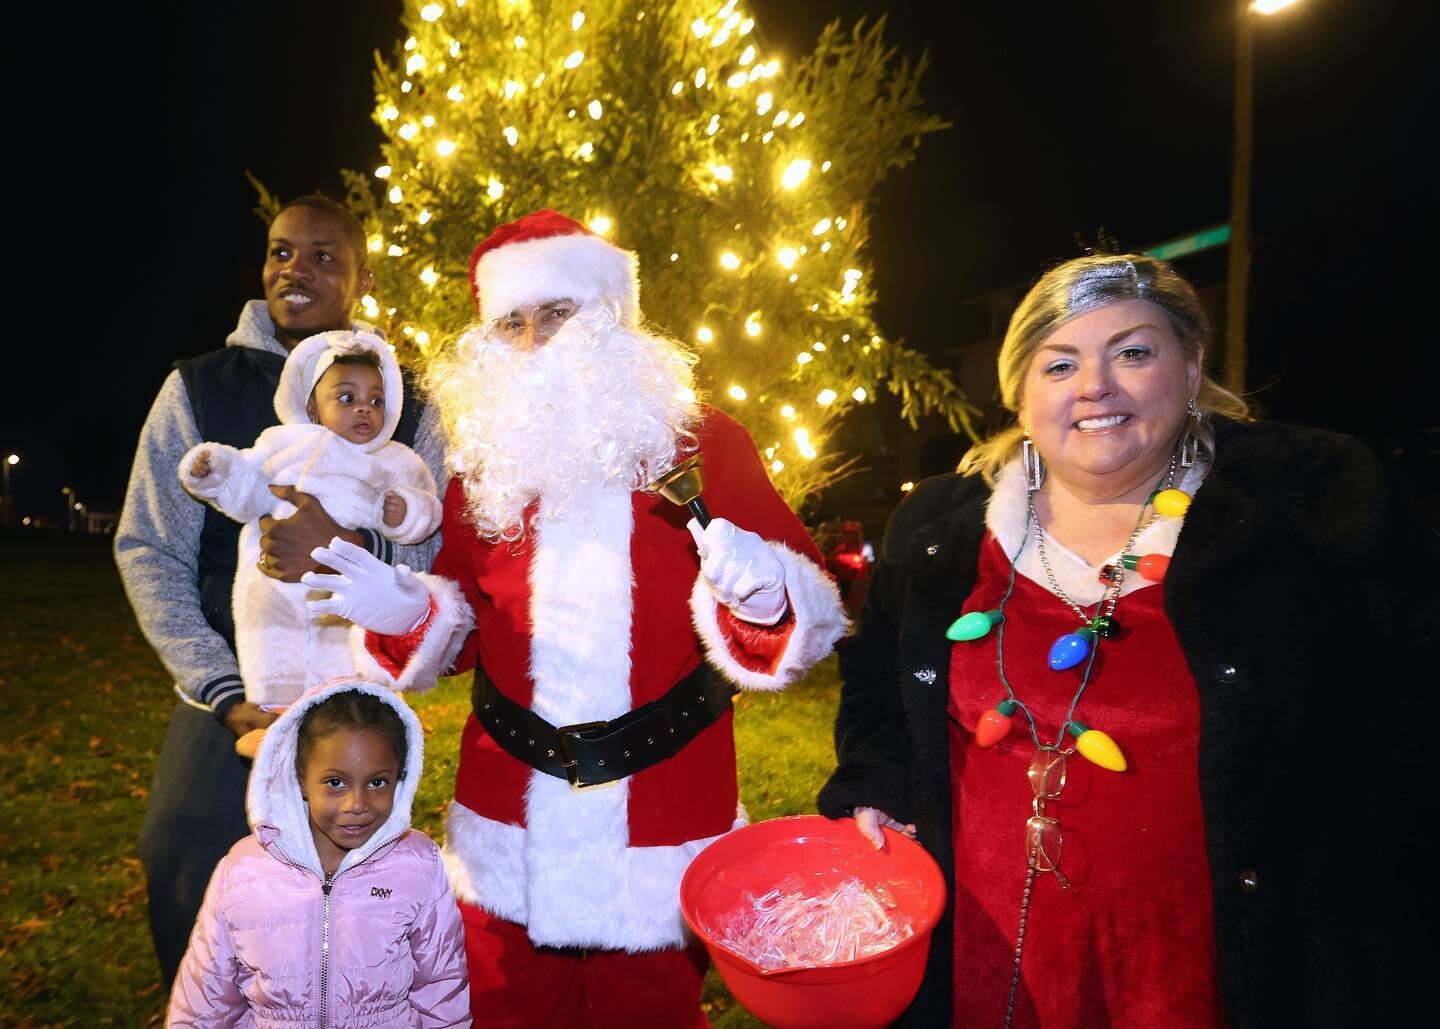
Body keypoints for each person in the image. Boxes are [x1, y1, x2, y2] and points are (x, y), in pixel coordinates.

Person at [817, 253, 1436, 1027]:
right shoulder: (937, 533)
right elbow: (877, 683)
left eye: (1133, 352)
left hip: (1226, 968)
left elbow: (1411, 723)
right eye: (1060, 362)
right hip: (990, 956)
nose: (1094, 387)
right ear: (1018, 390)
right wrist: (874, 786)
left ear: (1191, 363)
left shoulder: (1313, 517)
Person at [304, 209, 848, 1026]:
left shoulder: (704, 443)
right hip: (506, 822)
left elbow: (808, 615)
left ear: (609, 316)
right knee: (500, 1007)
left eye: (556, 314)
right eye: (511, 323)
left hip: (662, 820)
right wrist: (404, 611)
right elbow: (459, 629)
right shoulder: (482, 467)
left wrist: (769, 596)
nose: (534, 343)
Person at [115, 193, 445, 986]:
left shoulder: (404, 401)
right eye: (281, 251)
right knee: (181, 850)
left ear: (360, 278)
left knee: (349, 891)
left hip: (353, 680)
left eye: (324, 255)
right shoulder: (198, 388)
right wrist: (222, 689)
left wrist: (349, 546)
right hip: (239, 680)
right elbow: (149, 546)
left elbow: (433, 544)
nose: (296, 268)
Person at [166, 680, 471, 1026]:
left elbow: (442, 987)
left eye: (377, 782)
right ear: (299, 777)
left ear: (401, 778)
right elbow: (204, 998)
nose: (357, 804)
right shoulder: (242, 871)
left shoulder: (418, 865)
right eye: (335, 782)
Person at [179, 331, 441, 713]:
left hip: (346, 607)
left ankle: (354, 703)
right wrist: (216, 472)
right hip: (271, 593)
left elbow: (429, 508)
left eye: (376, 400)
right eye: (347, 398)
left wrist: (407, 514)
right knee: (273, 670)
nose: (364, 408)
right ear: (314, 409)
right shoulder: (282, 445)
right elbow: (248, 489)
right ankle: (274, 711)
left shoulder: (396, 461)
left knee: (349, 697)